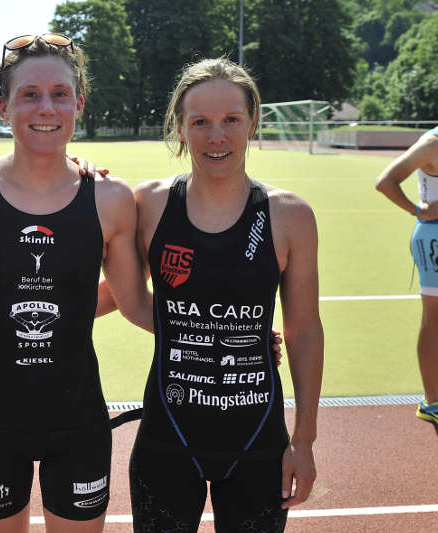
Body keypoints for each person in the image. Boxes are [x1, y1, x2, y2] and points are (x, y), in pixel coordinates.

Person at [0, 34, 153, 533]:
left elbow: (134, 303)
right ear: (3, 105)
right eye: (29, 94)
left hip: (79, 422)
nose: (46, 107)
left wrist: (221, 336)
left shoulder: (111, 198)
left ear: (78, 102)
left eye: (60, 93)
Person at [99, 58, 323, 532]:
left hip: (258, 440)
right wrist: (41, 312)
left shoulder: (290, 216)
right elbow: (125, 296)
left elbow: (303, 332)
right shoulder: (150, 204)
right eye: (199, 122)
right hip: (167, 437)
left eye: (231, 120)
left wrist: (303, 441)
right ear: (180, 127)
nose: (215, 136)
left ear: (252, 123)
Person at [375, 126, 438, 426]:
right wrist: (418, 209)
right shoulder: (431, 144)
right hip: (435, 240)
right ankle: (433, 402)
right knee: (434, 319)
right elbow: (385, 182)